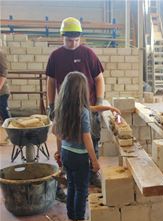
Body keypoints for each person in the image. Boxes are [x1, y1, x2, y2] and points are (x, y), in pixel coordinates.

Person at [46, 17, 105, 190]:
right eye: (69, 40)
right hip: (65, 108)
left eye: (76, 40)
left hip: (89, 106)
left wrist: (99, 103)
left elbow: (99, 79)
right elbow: (50, 82)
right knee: (66, 140)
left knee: (92, 138)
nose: (73, 44)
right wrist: (51, 105)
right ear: (62, 37)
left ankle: (92, 173)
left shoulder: (88, 54)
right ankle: (66, 169)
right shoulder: (56, 56)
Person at [53, 71, 105, 221]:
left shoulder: (61, 108)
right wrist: (94, 160)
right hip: (79, 156)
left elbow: (56, 132)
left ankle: (71, 216)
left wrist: (59, 152)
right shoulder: (82, 111)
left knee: (71, 186)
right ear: (83, 90)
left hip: (66, 153)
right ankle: (79, 220)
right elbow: (87, 137)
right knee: (82, 189)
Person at [0, 50, 10, 145]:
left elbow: (4, 72)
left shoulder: (0, 54)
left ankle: (12, 135)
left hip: (2, 92)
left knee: (4, 112)